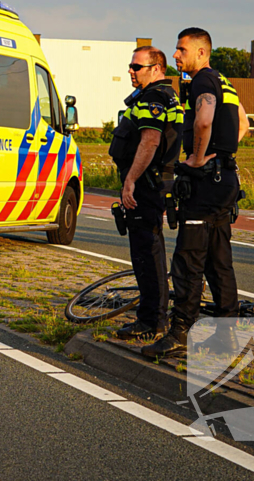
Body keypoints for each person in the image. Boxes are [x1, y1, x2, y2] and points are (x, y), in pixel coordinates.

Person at [143, 28, 249, 359]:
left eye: (181, 49)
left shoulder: (202, 80)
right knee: (219, 262)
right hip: (226, 180)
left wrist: (199, 157)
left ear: (201, 53)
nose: (175, 56)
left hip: (206, 184)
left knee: (189, 259)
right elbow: (244, 122)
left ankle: (178, 334)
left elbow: (203, 122)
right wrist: (224, 152)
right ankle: (226, 336)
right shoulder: (224, 82)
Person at [108, 45, 183, 342]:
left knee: (147, 255)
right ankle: (152, 317)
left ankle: (152, 321)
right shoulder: (165, 96)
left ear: (156, 69)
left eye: (136, 66)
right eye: (131, 65)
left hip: (146, 186)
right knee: (148, 254)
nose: (131, 70)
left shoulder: (154, 97)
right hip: (154, 184)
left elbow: (150, 142)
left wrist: (130, 181)